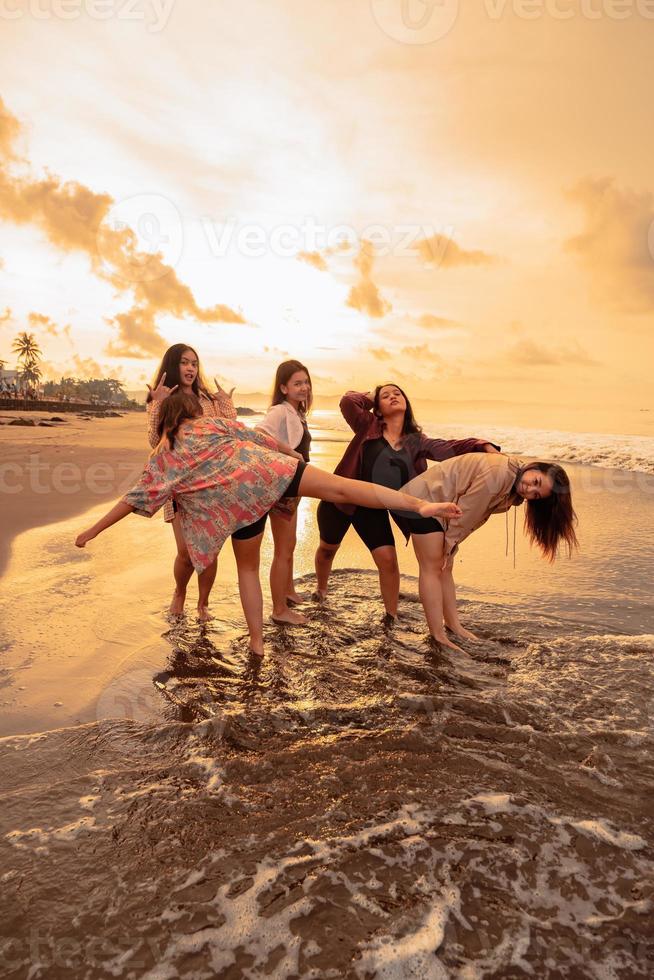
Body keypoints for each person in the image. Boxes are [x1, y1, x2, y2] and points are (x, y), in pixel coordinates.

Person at [75, 392, 461, 657]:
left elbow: (133, 499)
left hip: (235, 506)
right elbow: (259, 435)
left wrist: (92, 531)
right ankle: (420, 505)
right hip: (271, 475)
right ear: (192, 412)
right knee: (345, 489)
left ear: (164, 419)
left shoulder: (164, 456)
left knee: (247, 570)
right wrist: (291, 453)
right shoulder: (212, 426)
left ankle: (257, 643)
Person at [314, 385, 499, 620]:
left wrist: (483, 446)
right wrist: (371, 395)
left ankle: (391, 616)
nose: (393, 396)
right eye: (386, 395)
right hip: (341, 498)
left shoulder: (417, 442)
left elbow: (451, 447)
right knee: (328, 550)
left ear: (406, 403)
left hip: (372, 507)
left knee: (388, 561)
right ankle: (321, 589)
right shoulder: (367, 424)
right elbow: (348, 402)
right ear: (378, 408)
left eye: (397, 393)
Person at [400, 453, 578, 651]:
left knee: (445, 566)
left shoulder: (513, 481)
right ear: (534, 467)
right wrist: (449, 544)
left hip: (441, 507)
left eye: (536, 495)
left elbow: (472, 516)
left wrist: (450, 546)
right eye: (535, 481)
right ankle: (438, 635)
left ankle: (453, 625)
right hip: (424, 499)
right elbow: (466, 513)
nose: (530, 489)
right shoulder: (499, 475)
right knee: (432, 567)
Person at [146, 344, 236, 619]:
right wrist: (157, 404)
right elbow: (154, 441)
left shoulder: (207, 400)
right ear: (174, 366)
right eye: (184, 363)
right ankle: (180, 593)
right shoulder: (163, 398)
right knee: (186, 552)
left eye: (194, 364)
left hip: (210, 484)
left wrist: (227, 407)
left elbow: (228, 434)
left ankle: (203, 604)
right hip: (179, 486)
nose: (190, 369)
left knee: (209, 550)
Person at [255, 360, 313, 626]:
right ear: (284, 387)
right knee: (282, 548)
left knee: (290, 545)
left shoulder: (296, 412)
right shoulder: (279, 410)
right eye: (297, 383)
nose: (304, 388)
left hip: (293, 485)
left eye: (306, 382)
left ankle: (288, 591)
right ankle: (279, 609)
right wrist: (290, 453)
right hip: (281, 485)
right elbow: (260, 434)